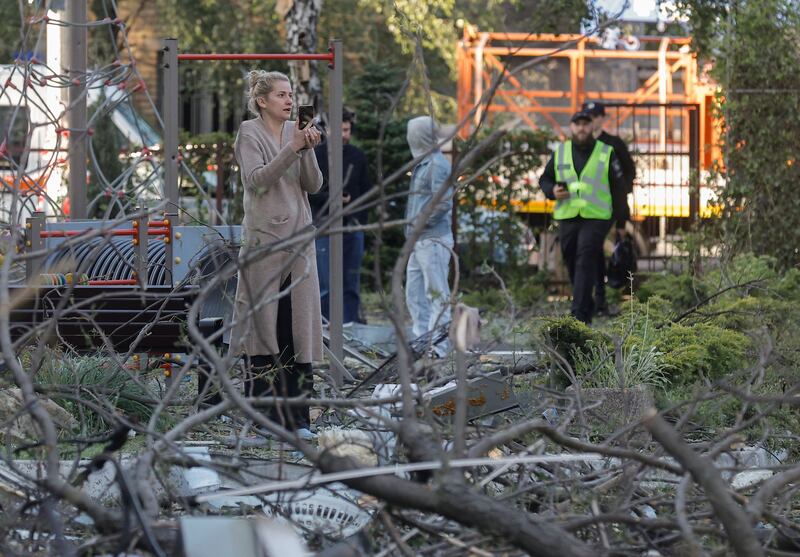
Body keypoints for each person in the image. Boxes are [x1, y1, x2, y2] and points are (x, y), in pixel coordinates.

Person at [228, 70, 323, 439]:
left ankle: (299, 420)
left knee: (297, 331)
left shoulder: (294, 132)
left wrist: (307, 149)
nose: (289, 100)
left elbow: (313, 185)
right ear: (262, 101)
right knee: (262, 329)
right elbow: (256, 179)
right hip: (264, 241)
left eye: (291, 94)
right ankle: (264, 419)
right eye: (281, 95)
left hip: (298, 242)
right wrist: (292, 148)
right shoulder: (249, 133)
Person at [539, 110, 629, 324]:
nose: (581, 128)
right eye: (577, 124)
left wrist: (622, 222)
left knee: (585, 258)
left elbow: (619, 190)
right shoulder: (561, 152)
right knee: (571, 258)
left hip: (597, 216)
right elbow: (545, 179)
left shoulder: (606, 152)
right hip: (568, 215)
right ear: (571, 127)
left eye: (585, 124)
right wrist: (552, 191)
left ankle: (578, 315)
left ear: (592, 127)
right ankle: (586, 304)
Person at [310, 109, 372, 325]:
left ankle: (351, 327)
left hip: (352, 227)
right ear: (328, 130)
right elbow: (309, 193)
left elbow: (367, 192)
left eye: (347, 130)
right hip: (324, 226)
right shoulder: (317, 156)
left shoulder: (358, 156)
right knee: (326, 283)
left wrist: (358, 219)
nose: (344, 134)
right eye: (340, 130)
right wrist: (333, 199)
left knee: (350, 282)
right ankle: (325, 328)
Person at [404, 116, 453, 356]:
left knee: (437, 295)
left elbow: (442, 203)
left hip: (432, 239)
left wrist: (421, 223)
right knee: (414, 294)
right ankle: (421, 342)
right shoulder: (423, 164)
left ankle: (439, 348)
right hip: (418, 241)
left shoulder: (437, 165)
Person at [582, 101, 637, 315]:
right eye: (587, 117)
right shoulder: (579, 145)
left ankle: (604, 300)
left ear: (602, 119)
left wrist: (622, 219)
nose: (591, 121)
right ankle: (596, 301)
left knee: (610, 257)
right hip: (586, 213)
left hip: (610, 212)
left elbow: (627, 178)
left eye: (594, 117)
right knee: (589, 256)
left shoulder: (614, 144)